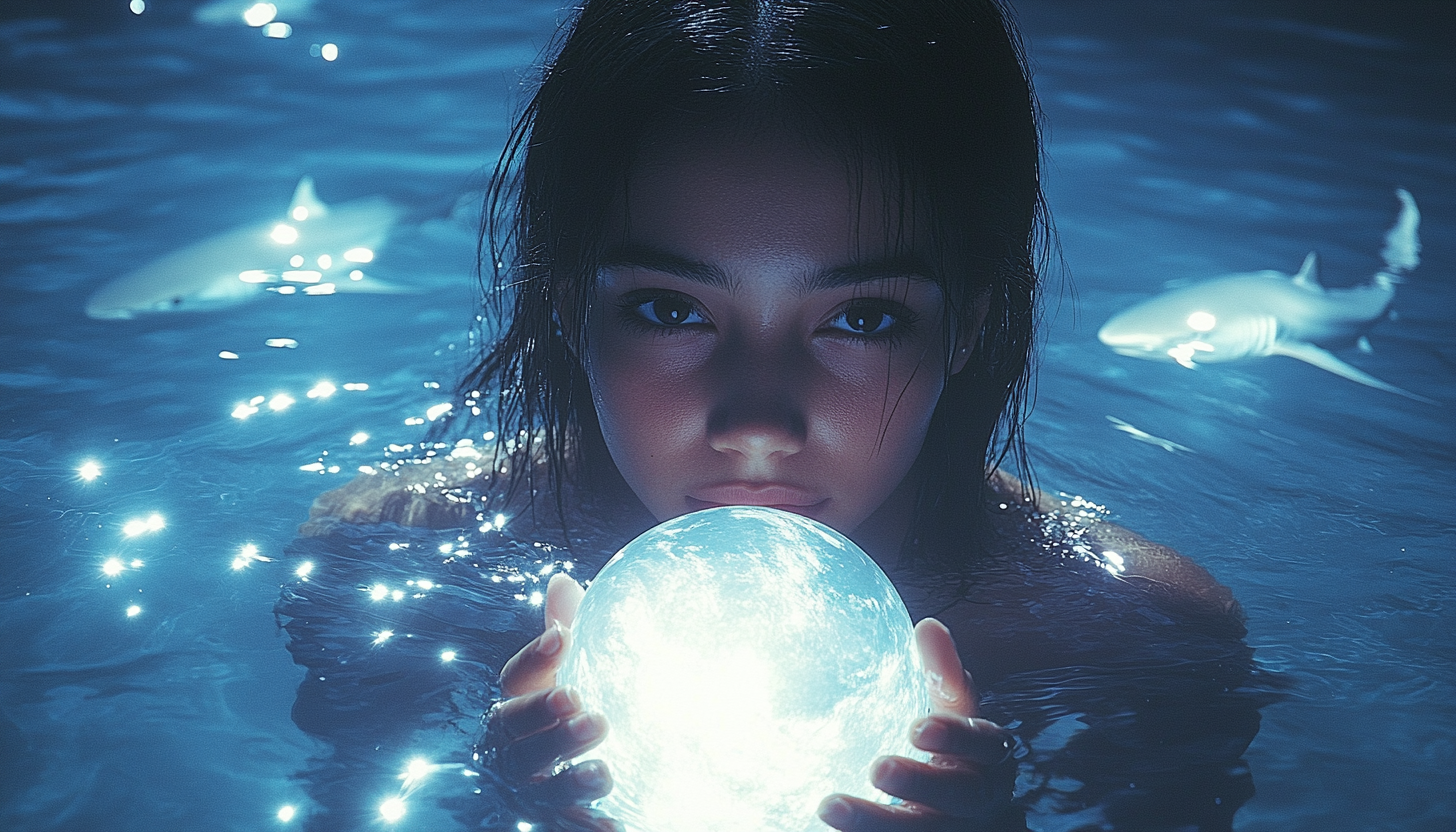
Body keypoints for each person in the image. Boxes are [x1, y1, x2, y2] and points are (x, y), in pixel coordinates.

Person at [293, 0, 1264, 829]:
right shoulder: (387, 558)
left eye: (860, 317)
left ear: (968, 324)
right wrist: (496, 807)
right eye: (670, 308)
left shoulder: (1136, 637)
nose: (757, 424)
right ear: (563, 300)